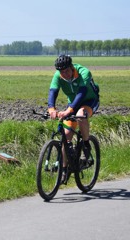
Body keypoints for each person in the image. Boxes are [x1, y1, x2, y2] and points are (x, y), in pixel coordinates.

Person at [47, 55, 100, 183]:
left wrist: (68, 111)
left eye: (66, 71)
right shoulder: (58, 76)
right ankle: (64, 170)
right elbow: (53, 91)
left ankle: (86, 145)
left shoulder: (84, 72)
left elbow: (81, 93)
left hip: (89, 100)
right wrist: (51, 109)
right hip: (73, 103)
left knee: (81, 115)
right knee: (66, 135)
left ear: (72, 67)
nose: (64, 74)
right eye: (61, 72)